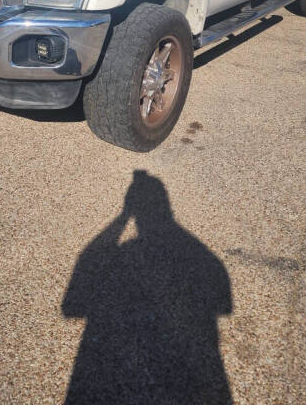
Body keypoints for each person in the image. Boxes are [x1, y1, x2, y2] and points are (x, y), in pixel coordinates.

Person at [62, 171, 233, 404]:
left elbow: (73, 306)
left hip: (110, 371)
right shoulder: (208, 261)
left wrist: (122, 217)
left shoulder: (205, 260)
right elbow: (220, 305)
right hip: (193, 381)